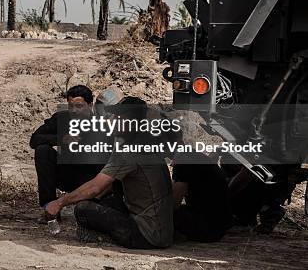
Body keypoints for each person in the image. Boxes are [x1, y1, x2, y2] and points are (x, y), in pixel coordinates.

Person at [45, 97, 174, 249]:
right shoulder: (148, 142)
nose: (112, 120)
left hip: (145, 235)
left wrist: (59, 203)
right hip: (164, 233)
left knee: (83, 209)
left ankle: (101, 238)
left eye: (117, 116)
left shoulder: (128, 151)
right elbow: (110, 186)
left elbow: (95, 188)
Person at [30, 85, 106, 219]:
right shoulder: (62, 119)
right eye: (71, 106)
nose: (74, 111)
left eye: (79, 106)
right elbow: (35, 139)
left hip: (90, 179)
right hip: (66, 173)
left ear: (89, 105)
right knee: (43, 150)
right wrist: (61, 139)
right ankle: (49, 208)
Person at [172, 152, 232, 242]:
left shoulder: (183, 162)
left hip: (207, 229)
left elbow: (174, 204)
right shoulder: (195, 157)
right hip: (218, 227)